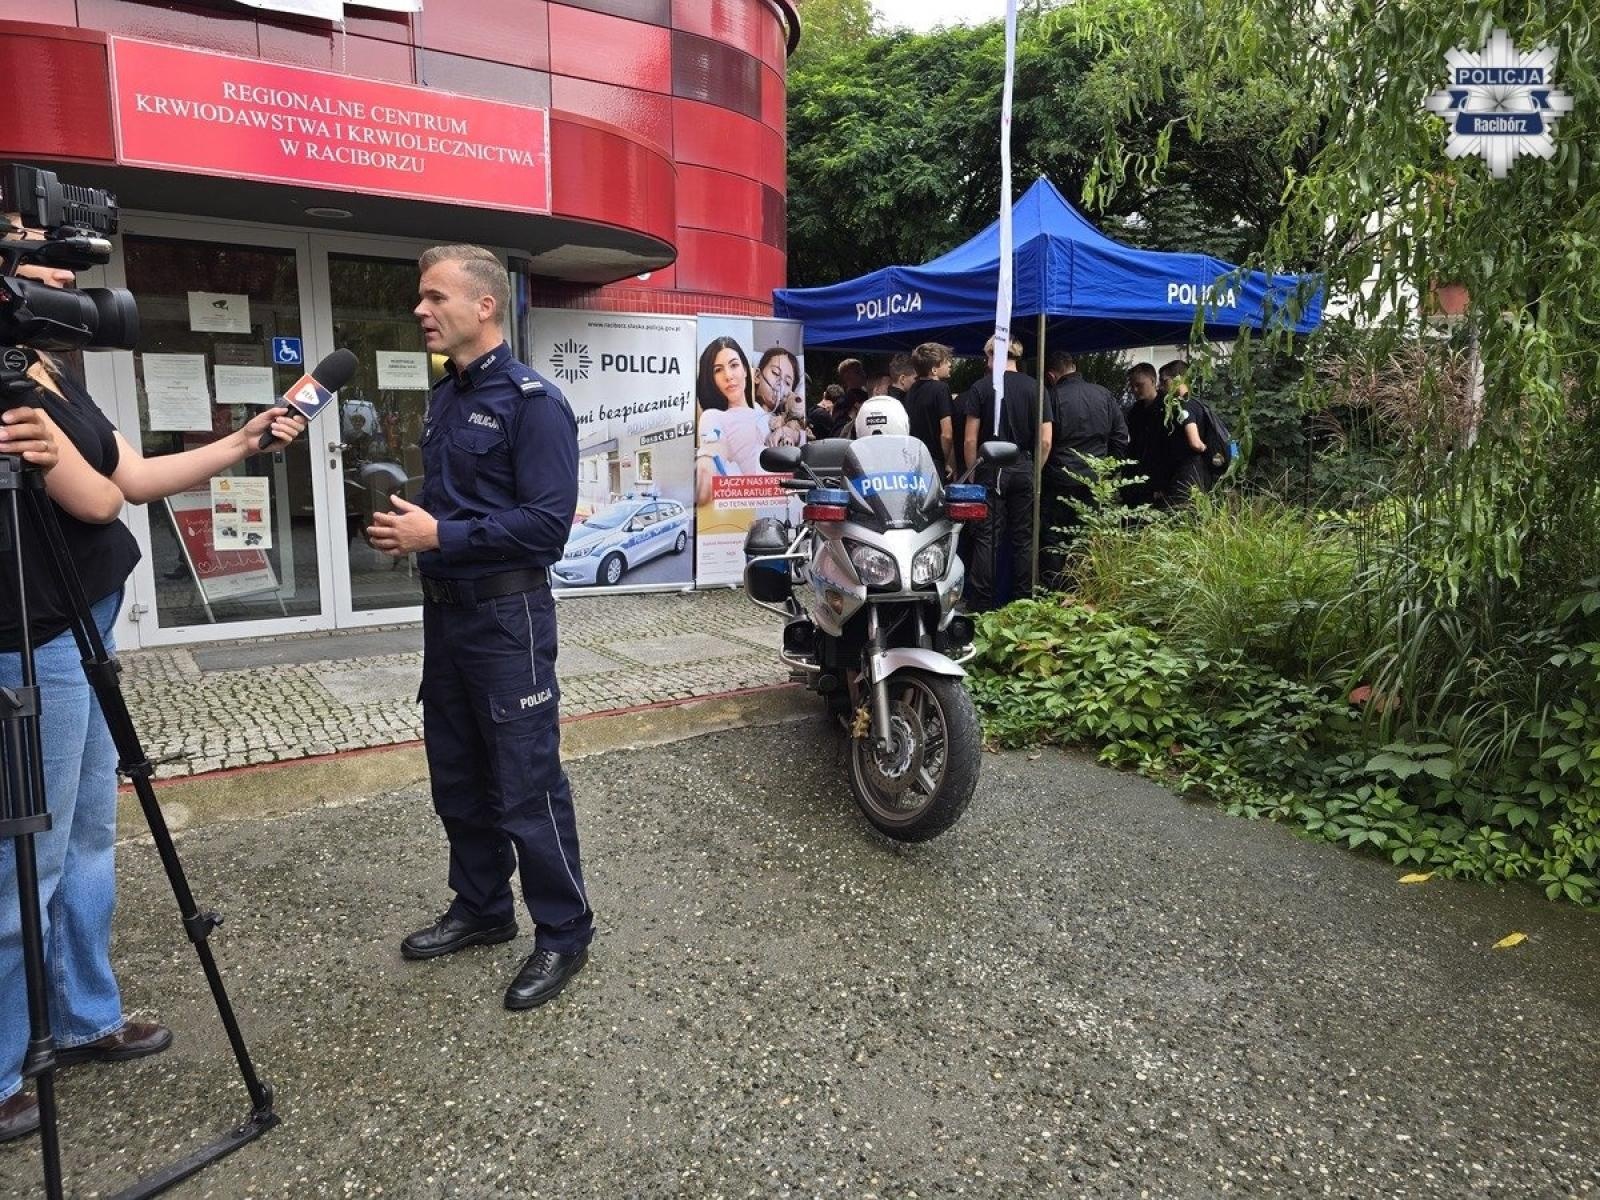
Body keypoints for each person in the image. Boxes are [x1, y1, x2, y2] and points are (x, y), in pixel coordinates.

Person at [0, 238, 306, 1144]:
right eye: (37, 276)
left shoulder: (46, 366)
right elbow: (94, 500)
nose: (65, 293)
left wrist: (247, 438)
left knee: (90, 836)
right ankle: (7, 1061)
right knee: (28, 859)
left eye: (66, 279)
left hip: (88, 623)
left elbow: (130, 475)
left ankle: (87, 1016)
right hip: (36, 640)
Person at [367, 244, 591, 1012]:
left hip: (509, 618)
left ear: (484, 306)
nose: (421, 311)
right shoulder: (446, 399)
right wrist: (415, 533)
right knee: (457, 777)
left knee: (527, 787)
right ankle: (484, 908)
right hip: (449, 620)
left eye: (435, 298)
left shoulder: (535, 403)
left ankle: (563, 933)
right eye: (420, 298)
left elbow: (547, 527)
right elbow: (461, 506)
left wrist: (441, 538)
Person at [960, 336, 1051, 610]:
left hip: (990, 468)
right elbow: (1045, 440)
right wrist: (1036, 471)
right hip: (1023, 465)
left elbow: (969, 440)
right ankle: (1023, 603)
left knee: (987, 537)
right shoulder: (1037, 388)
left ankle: (981, 606)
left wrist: (973, 473)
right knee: (1023, 538)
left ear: (991, 355)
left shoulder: (981, 387)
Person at [1041, 351, 1128, 586]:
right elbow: (1121, 437)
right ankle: (1087, 588)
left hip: (1059, 478)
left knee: (1054, 537)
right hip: (1095, 479)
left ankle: (1055, 590)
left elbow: (1044, 440)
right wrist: (1107, 470)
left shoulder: (1051, 397)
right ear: (1074, 366)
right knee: (1090, 535)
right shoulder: (1104, 394)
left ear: (1051, 375)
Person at [694, 336, 768, 505]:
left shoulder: (764, 414)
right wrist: (706, 464)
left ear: (745, 370)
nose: (728, 376)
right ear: (711, 379)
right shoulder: (714, 416)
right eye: (718, 370)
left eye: (734, 365)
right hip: (741, 507)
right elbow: (712, 449)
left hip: (777, 502)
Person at [1157, 359, 1212, 504]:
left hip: (1187, 473)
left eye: (1164, 381)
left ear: (1178, 379)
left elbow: (1195, 442)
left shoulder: (1184, 406)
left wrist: (1205, 449)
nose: (1160, 386)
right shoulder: (1197, 403)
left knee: (1182, 514)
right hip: (1198, 472)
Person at [904, 342, 956, 480]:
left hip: (913, 460)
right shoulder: (941, 389)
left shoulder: (911, 390)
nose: (950, 365)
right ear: (934, 370)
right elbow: (946, 434)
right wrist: (947, 462)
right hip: (934, 461)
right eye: (946, 362)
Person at [1123, 362, 1168, 507]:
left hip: (1159, 475)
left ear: (1153, 381)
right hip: (1136, 475)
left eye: (1139, 385)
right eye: (1132, 387)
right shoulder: (1134, 412)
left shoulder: (1167, 407)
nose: (1135, 390)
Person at [754, 346, 807, 450]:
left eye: (787, 382)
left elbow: (808, 443)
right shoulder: (747, 409)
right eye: (775, 373)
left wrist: (792, 434)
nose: (780, 383)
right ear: (757, 376)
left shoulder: (786, 422)